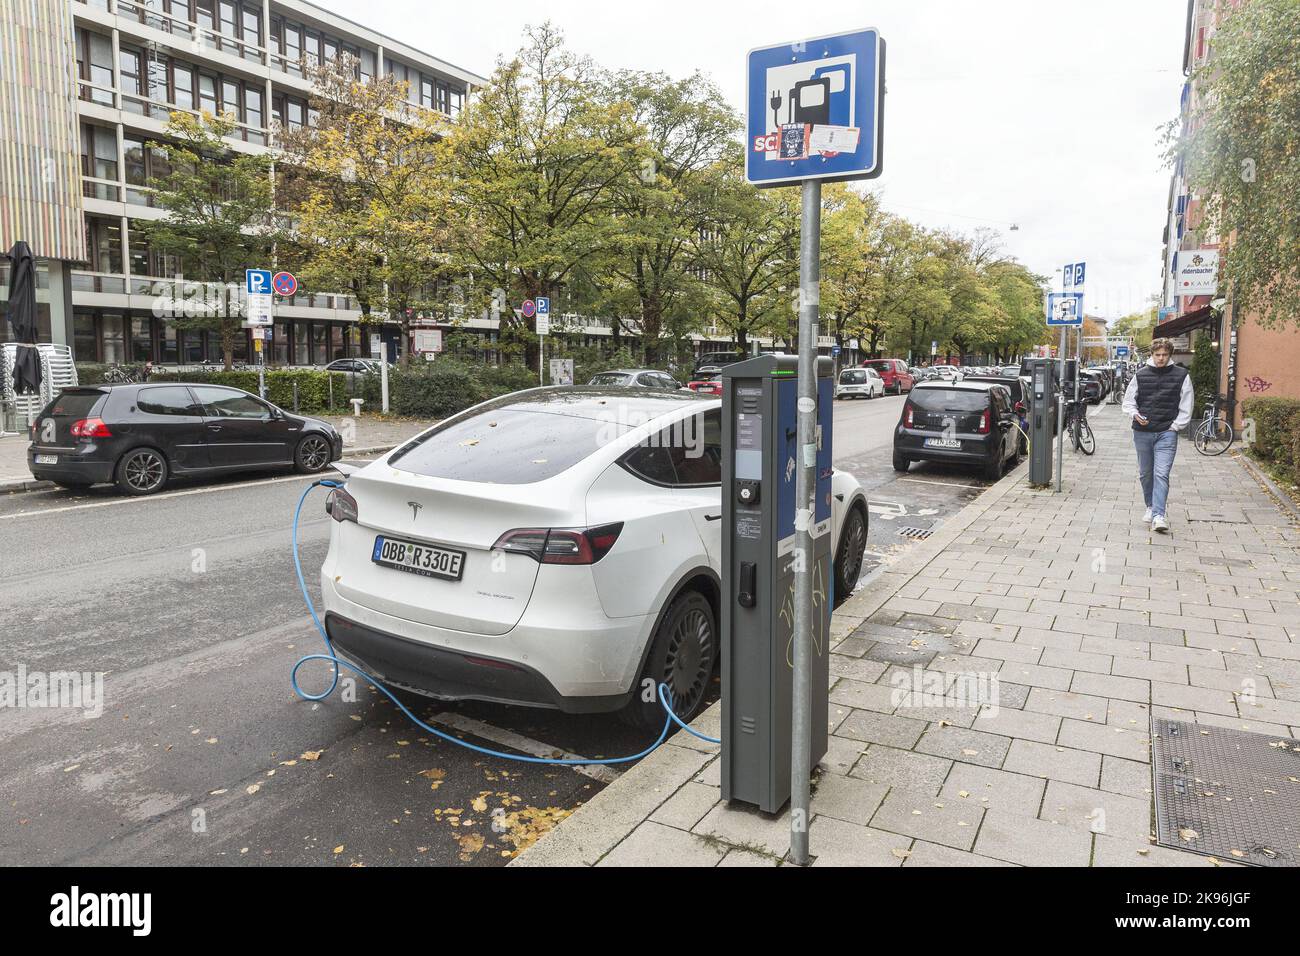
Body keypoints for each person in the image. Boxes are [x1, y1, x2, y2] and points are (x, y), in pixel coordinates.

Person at [1121, 338, 1194, 533]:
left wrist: (1176, 426)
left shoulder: (1181, 375)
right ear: (1152, 355)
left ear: (1169, 355)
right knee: (1146, 473)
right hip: (1142, 432)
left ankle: (1159, 516)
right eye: (1157, 355)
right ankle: (1150, 506)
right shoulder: (1141, 375)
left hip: (1166, 432)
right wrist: (1135, 414)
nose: (1161, 358)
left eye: (1164, 355)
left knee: (1161, 473)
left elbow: (1186, 404)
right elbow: (1128, 402)